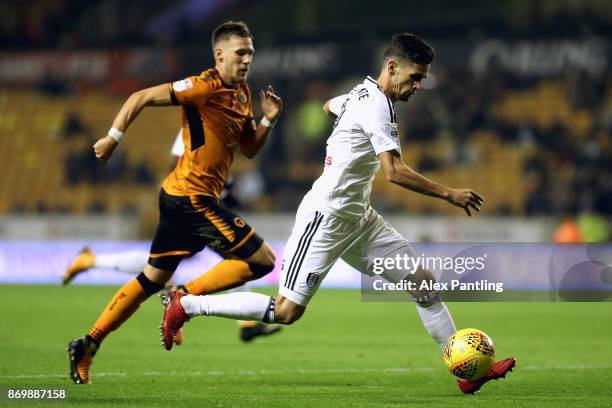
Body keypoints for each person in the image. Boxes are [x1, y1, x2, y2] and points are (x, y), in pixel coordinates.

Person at [161, 33, 515, 394]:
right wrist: (450, 193)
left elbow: (329, 105)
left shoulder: (362, 94)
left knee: (421, 283)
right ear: (392, 67)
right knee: (286, 312)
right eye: (415, 77)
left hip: (359, 219)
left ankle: (466, 371)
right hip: (325, 218)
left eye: (422, 79)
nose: (418, 86)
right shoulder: (376, 105)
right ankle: (187, 304)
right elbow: (393, 171)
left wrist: (345, 117)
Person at [66, 20, 283, 384]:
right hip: (190, 198)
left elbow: (248, 149)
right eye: (240, 52)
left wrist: (268, 121)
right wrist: (112, 138)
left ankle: (87, 344)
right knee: (262, 261)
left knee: (149, 279)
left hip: (182, 197)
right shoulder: (201, 86)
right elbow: (140, 97)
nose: (247, 59)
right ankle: (183, 297)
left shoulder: (243, 94)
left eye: (250, 53)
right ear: (219, 54)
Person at [63, 131, 281, 344]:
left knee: (162, 267)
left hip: (207, 204)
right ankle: (185, 301)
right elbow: (176, 164)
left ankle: (92, 262)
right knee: (165, 269)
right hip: (191, 207)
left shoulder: (223, 115)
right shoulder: (196, 120)